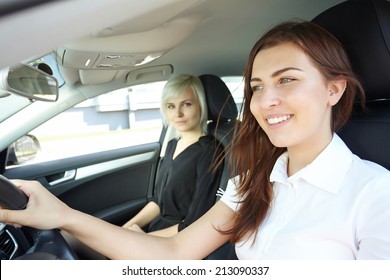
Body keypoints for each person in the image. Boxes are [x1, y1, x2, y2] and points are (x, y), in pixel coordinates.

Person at [1, 20, 390, 260]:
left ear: (334, 89)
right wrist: (63, 216)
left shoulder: (375, 195)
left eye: (286, 80)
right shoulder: (252, 182)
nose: (266, 101)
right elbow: (174, 253)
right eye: (256, 86)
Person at [122, 74, 223, 237]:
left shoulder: (209, 151)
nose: (178, 113)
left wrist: (144, 238)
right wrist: (126, 228)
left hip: (179, 239)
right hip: (157, 231)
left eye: (187, 104)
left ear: (201, 106)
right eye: (170, 106)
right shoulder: (172, 145)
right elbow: (159, 201)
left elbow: (196, 220)